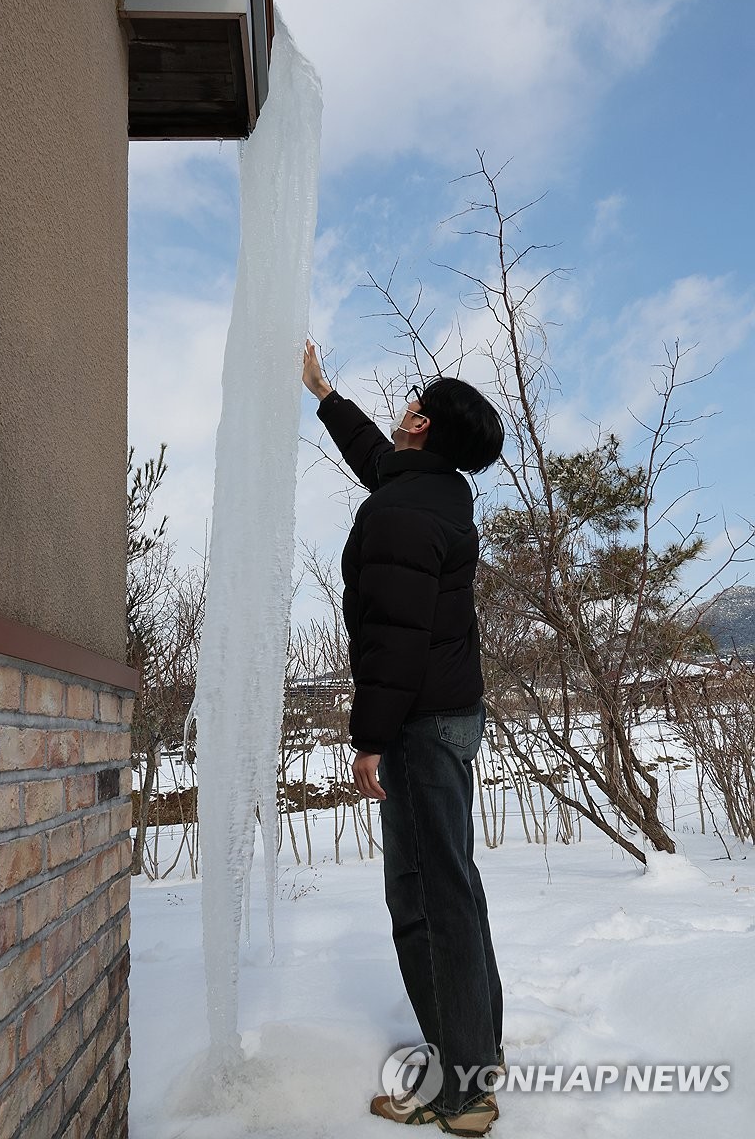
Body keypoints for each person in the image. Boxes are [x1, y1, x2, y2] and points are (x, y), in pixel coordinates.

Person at [302, 340, 505, 1135]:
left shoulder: (401, 512)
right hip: (451, 716)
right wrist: (324, 394)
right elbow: (380, 463)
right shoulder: (436, 494)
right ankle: (473, 1060)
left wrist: (369, 740)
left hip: (420, 724)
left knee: (427, 900)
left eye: (408, 406)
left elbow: (395, 641)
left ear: (418, 422)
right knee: (450, 888)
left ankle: (465, 1093)